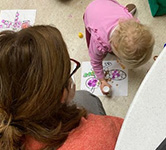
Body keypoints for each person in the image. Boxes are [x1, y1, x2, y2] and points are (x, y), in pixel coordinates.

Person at [0, 25, 123, 150]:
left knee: (84, 97)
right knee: (87, 99)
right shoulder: (99, 135)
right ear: (62, 95)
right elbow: (131, 131)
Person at [84, 0, 155, 95]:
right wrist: (102, 80)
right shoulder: (98, 42)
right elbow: (95, 62)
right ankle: (85, 17)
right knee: (92, 48)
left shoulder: (132, 23)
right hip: (91, 13)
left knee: (129, 34)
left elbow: (135, 39)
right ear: (115, 48)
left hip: (106, 4)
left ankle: (126, 10)